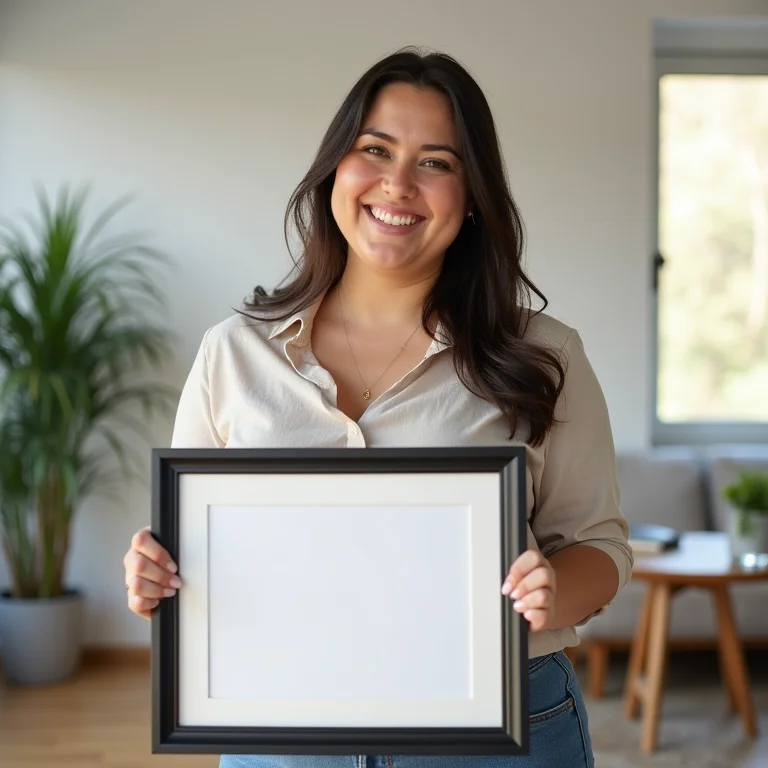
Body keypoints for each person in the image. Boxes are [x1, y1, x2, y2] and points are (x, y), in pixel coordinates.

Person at [123, 47, 632, 768]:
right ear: (337, 165)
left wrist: (552, 593)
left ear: (473, 193)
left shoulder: (545, 355)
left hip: (501, 727)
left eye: (437, 161)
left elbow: (601, 545)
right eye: (375, 149)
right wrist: (156, 574)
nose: (398, 183)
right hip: (281, 728)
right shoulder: (233, 353)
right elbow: (191, 548)